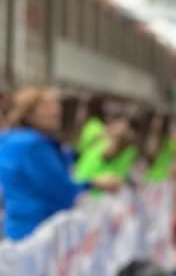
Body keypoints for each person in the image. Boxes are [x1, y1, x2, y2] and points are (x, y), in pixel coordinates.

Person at [0, 86, 119, 241]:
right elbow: (62, 192)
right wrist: (94, 183)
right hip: (36, 232)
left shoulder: (24, 142)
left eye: (56, 104)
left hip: (26, 230)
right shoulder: (31, 145)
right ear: (29, 113)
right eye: (47, 105)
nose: (56, 110)